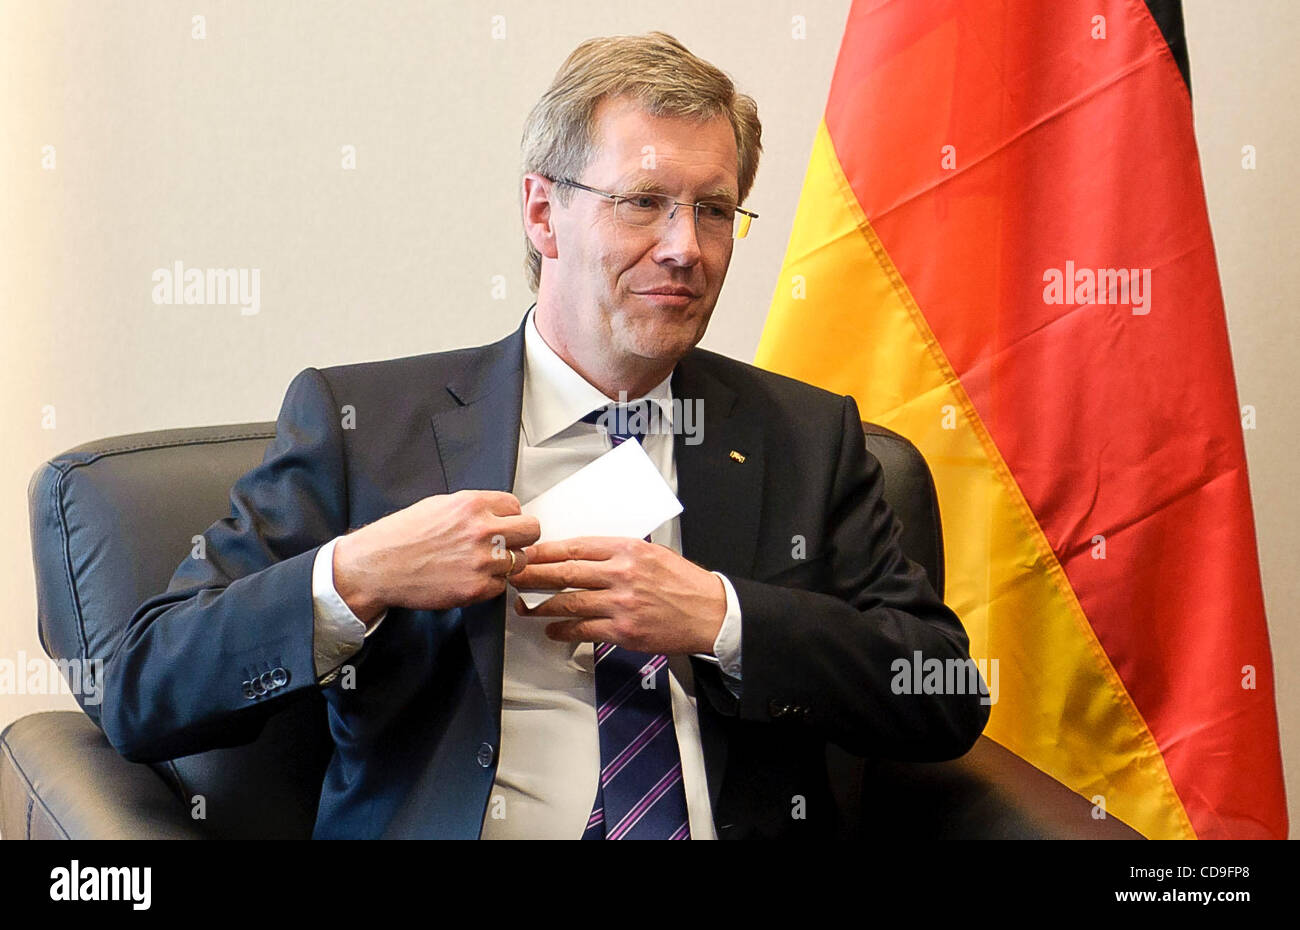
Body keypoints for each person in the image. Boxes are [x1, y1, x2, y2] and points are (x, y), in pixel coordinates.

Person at [102, 31, 988, 839]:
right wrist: (359, 574)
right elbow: (144, 689)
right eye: (644, 202)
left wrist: (723, 619)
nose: (687, 246)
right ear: (541, 213)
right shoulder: (366, 427)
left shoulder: (805, 436)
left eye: (715, 210)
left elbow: (944, 694)